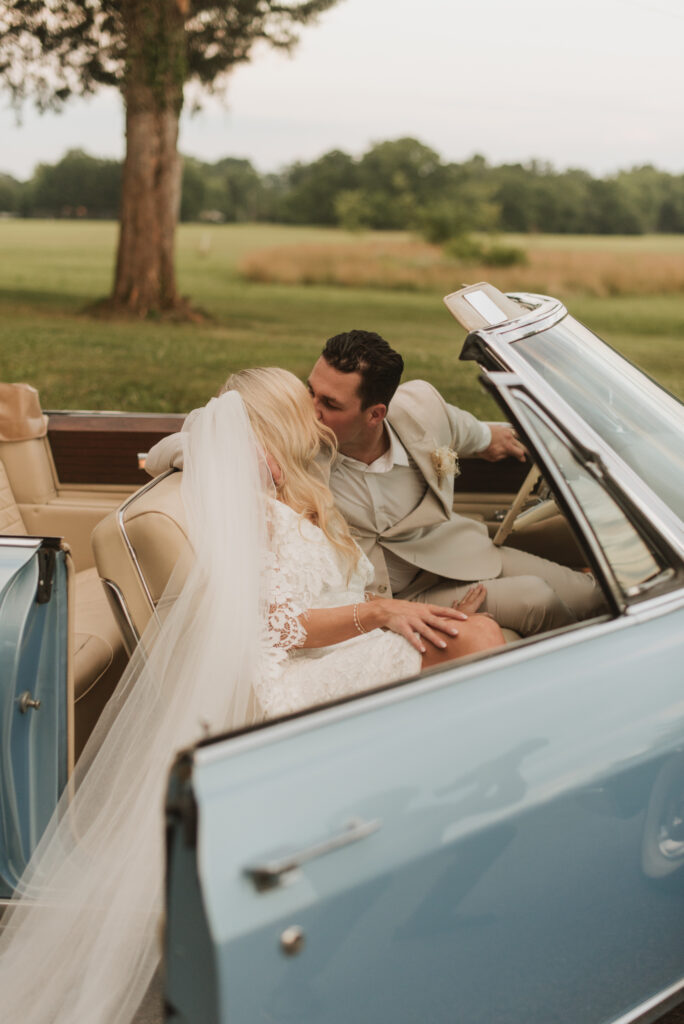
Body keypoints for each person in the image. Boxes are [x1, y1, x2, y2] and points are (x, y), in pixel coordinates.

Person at [0, 369, 503, 1024]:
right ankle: (472, 819)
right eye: (306, 406)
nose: (321, 419)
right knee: (480, 640)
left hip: (330, 647)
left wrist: (400, 613)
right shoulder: (252, 504)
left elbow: (188, 440)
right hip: (286, 682)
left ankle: (450, 834)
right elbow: (276, 628)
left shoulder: (290, 484)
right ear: (278, 422)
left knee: (474, 630)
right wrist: (381, 614)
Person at [146, 332, 605, 636]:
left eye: (329, 402)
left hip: (465, 552)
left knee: (597, 594)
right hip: (397, 592)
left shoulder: (421, 406)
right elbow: (173, 448)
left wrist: (494, 440)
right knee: (537, 599)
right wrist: (245, 455)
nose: (311, 408)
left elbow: (466, 430)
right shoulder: (298, 446)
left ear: (376, 413)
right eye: (311, 390)